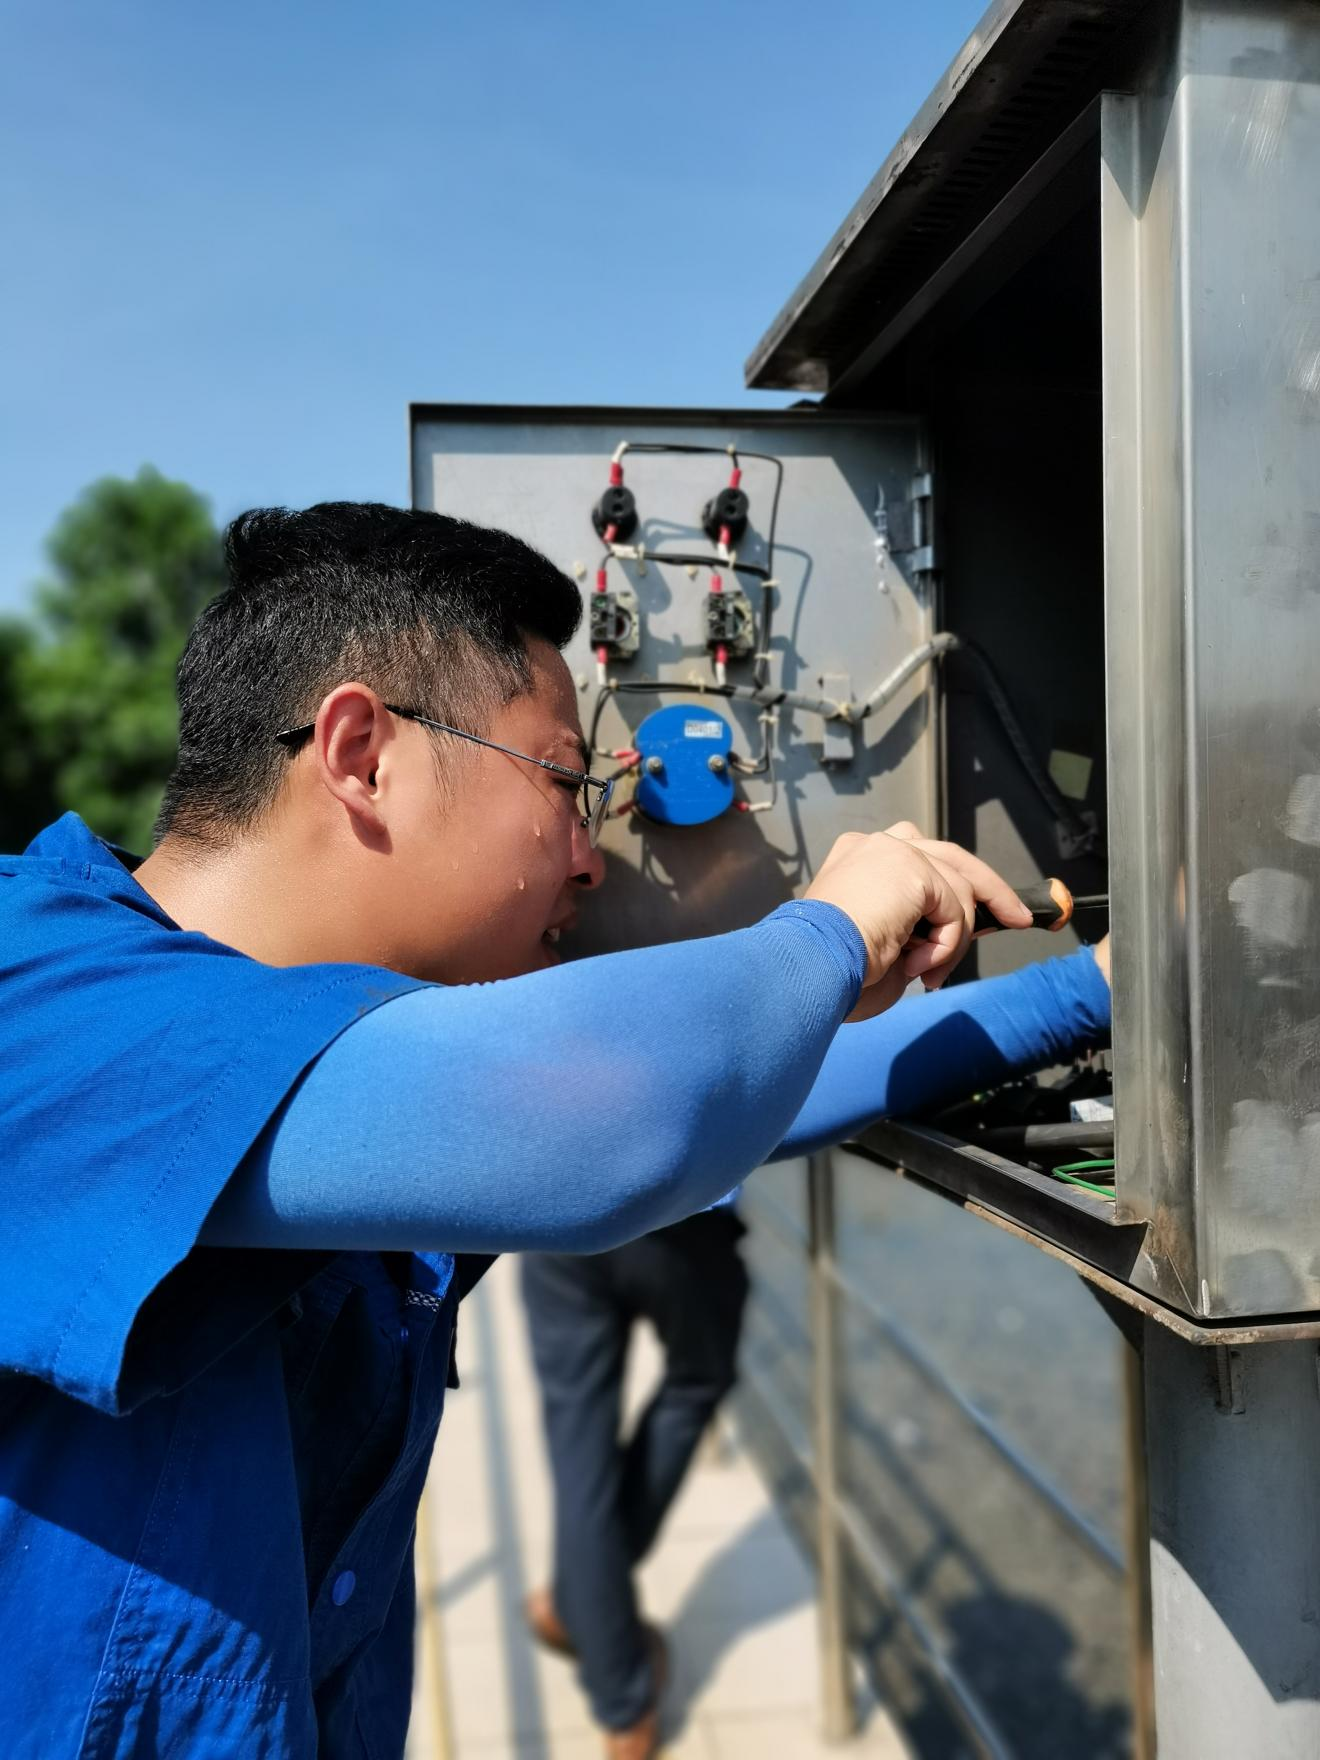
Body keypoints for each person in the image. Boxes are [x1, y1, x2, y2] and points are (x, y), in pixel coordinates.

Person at [0, 502, 1104, 1760]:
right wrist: (831, 927)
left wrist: (1087, 988)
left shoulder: (344, 1050)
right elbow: (618, 1115)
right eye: (568, 785)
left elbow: (747, 1091)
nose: (589, 858)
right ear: (361, 754)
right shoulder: (38, 994)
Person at [519, 938, 1110, 1760]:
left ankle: (611, 1675)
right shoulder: (702, 960)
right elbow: (842, 1068)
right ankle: (596, 1615)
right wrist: (1086, 985)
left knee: (575, 1439)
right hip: (680, 1221)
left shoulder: (549, 968)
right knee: (696, 1381)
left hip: (554, 1213)